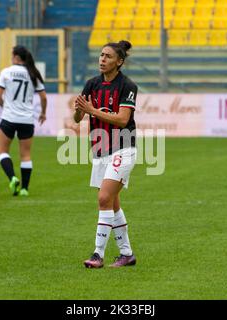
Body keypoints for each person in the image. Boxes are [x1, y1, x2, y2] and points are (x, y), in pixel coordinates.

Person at [75, 40, 138, 268]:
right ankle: (127, 254)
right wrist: (80, 110)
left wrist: (92, 110)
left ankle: (97, 255)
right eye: (101, 55)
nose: (102, 59)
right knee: (112, 203)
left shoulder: (127, 85)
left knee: (103, 198)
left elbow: (123, 120)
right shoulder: (92, 84)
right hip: (100, 150)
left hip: (123, 147)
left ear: (119, 62)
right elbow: (77, 118)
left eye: (108, 56)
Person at [0, 45, 47, 196]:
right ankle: (24, 189)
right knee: (25, 155)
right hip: (27, 120)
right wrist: (43, 113)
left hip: (9, 118)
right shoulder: (32, 74)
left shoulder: (6, 72)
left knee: (2, 151)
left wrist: (5, 107)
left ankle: (12, 177)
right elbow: (43, 96)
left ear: (16, 57)